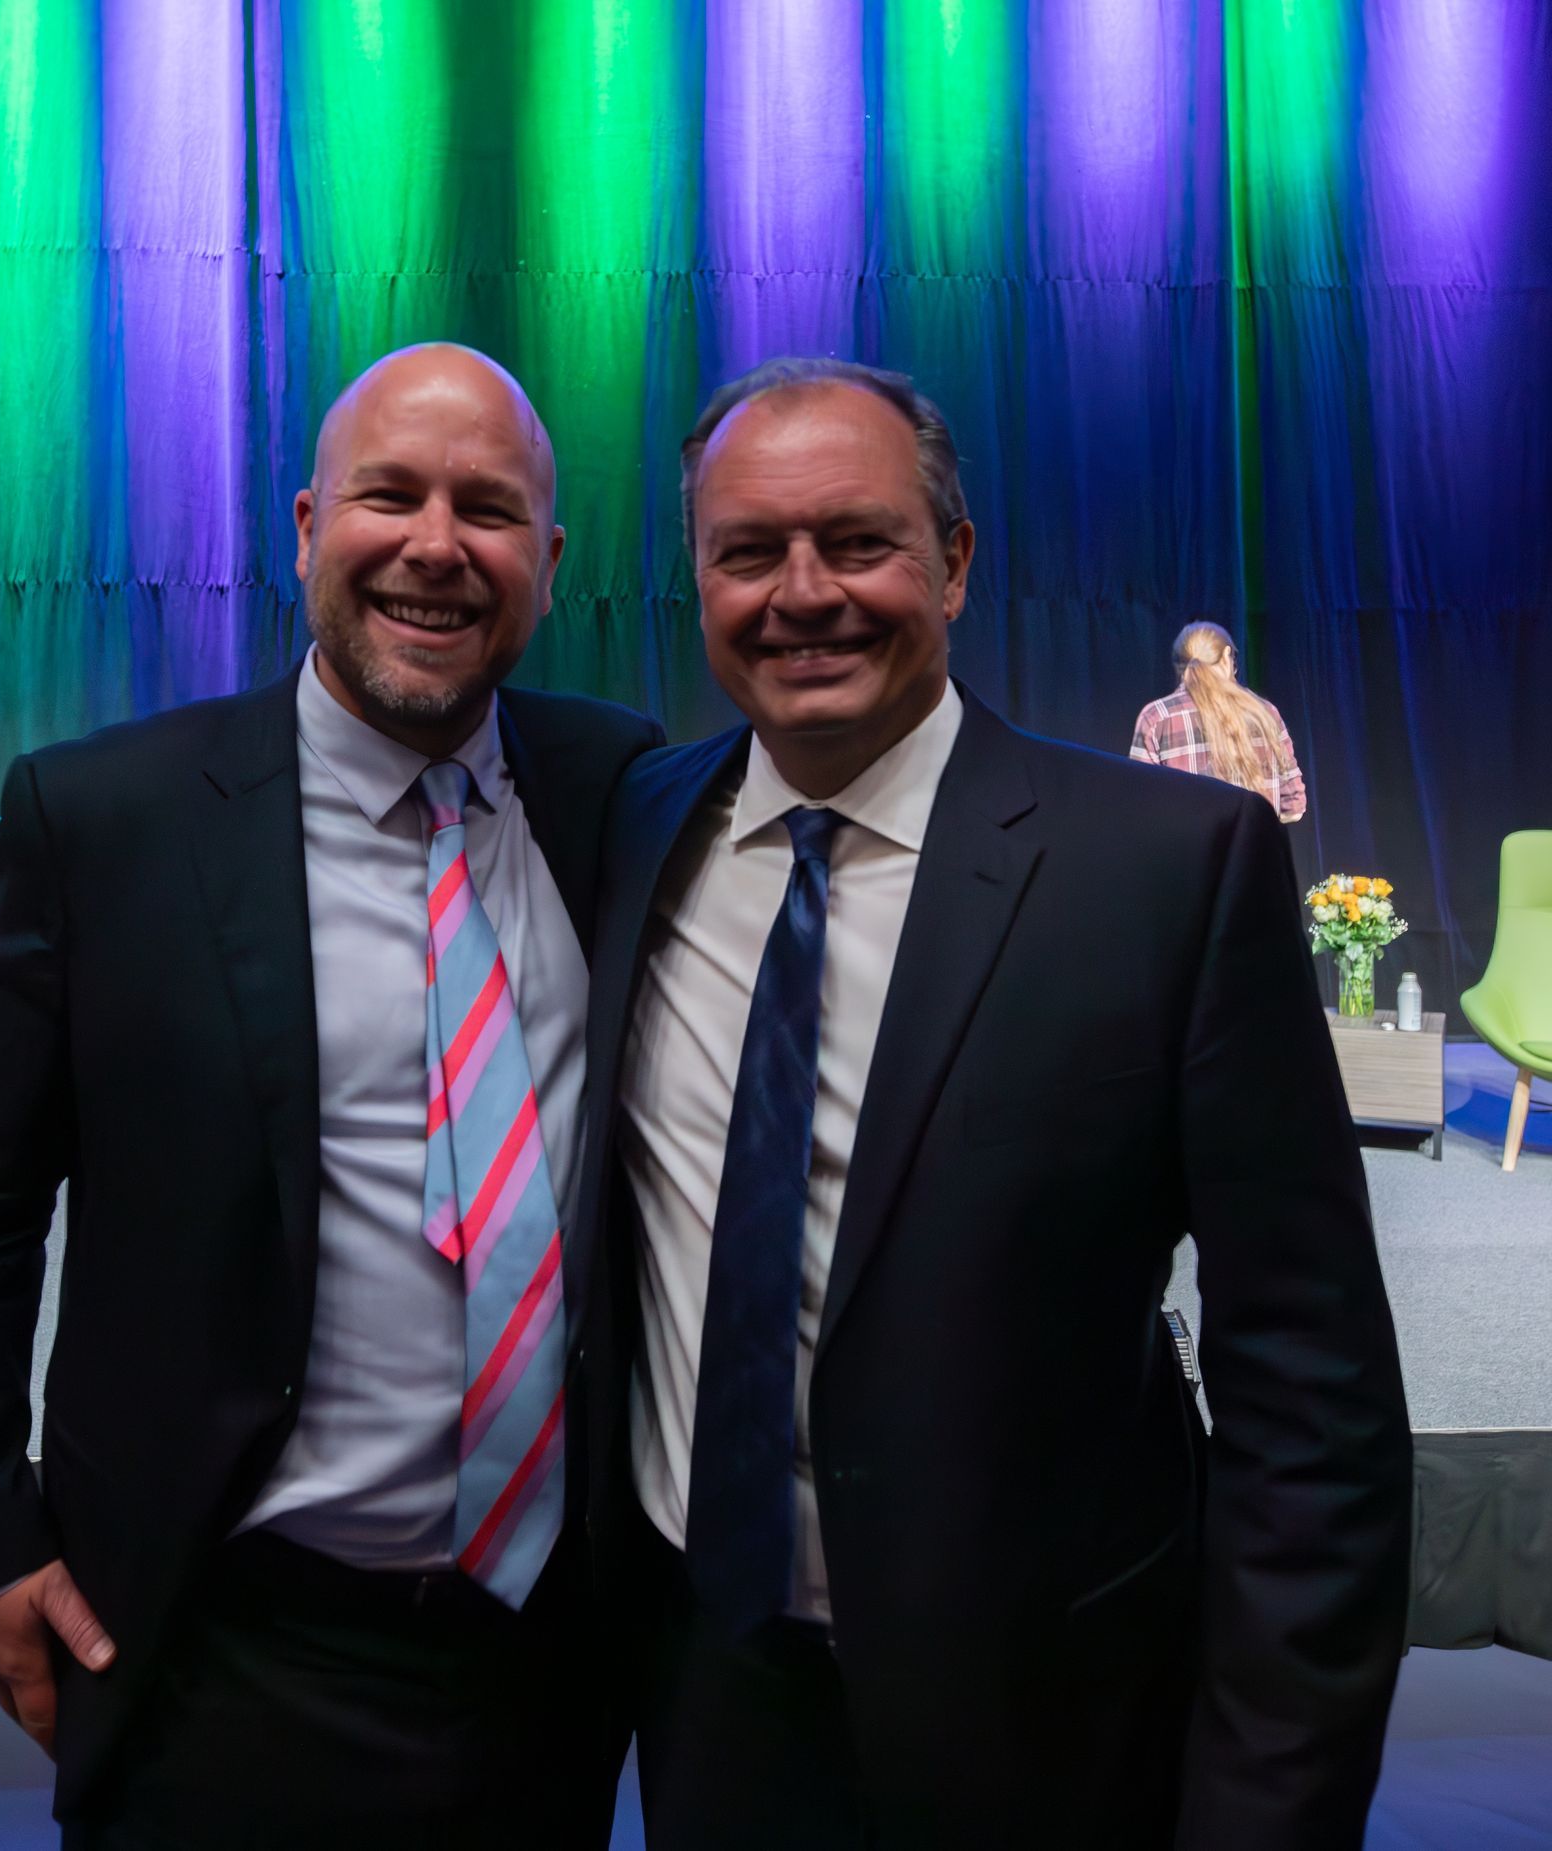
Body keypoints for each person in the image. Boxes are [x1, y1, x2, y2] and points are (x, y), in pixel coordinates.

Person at [573, 358, 1411, 1848]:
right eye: (747, 551)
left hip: (1059, 1721)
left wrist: (1277, 1795)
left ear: (955, 562)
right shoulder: (639, 826)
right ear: (694, 579)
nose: (802, 591)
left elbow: (1314, 1387)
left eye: (860, 539)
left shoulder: (1171, 868)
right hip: (711, 1702)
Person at [0, 343, 661, 1848]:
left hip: (553, 1655)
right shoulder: (105, 817)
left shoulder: (617, 786)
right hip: (218, 1646)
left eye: (488, 509)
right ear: (306, 526)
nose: (437, 544)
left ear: (548, 563)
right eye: (391, 495)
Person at [1130, 620, 1307, 821]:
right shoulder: (1265, 713)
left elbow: (1141, 805)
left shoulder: (1156, 717)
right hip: (1254, 850)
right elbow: (1294, 808)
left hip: (1187, 850)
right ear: (1225, 656)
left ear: (1179, 664)